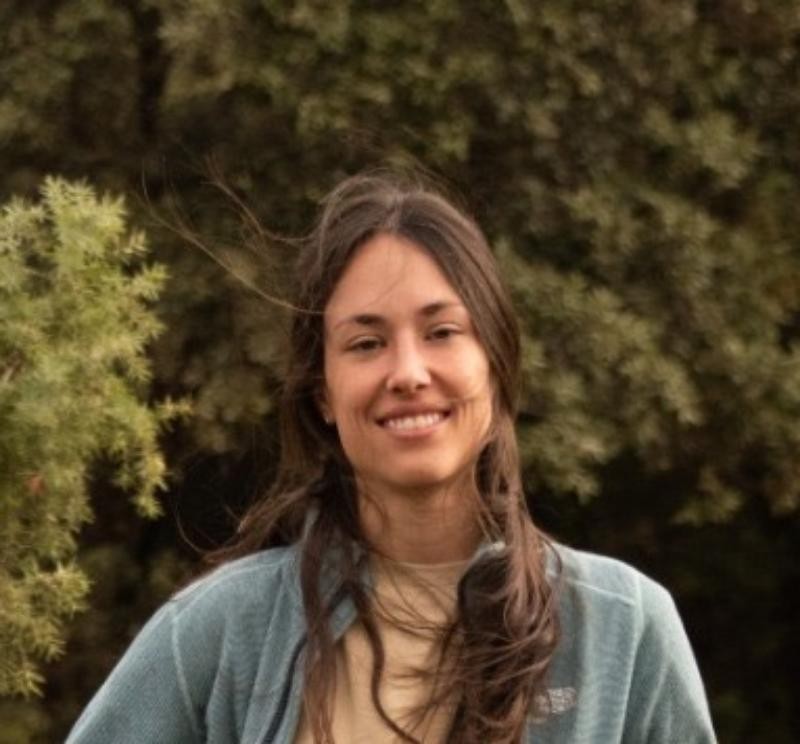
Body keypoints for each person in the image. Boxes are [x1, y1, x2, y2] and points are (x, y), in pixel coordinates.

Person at [66, 171, 717, 743]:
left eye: (442, 332)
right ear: (323, 392)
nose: (407, 372)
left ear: (494, 364)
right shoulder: (220, 632)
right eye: (366, 343)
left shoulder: (624, 628)